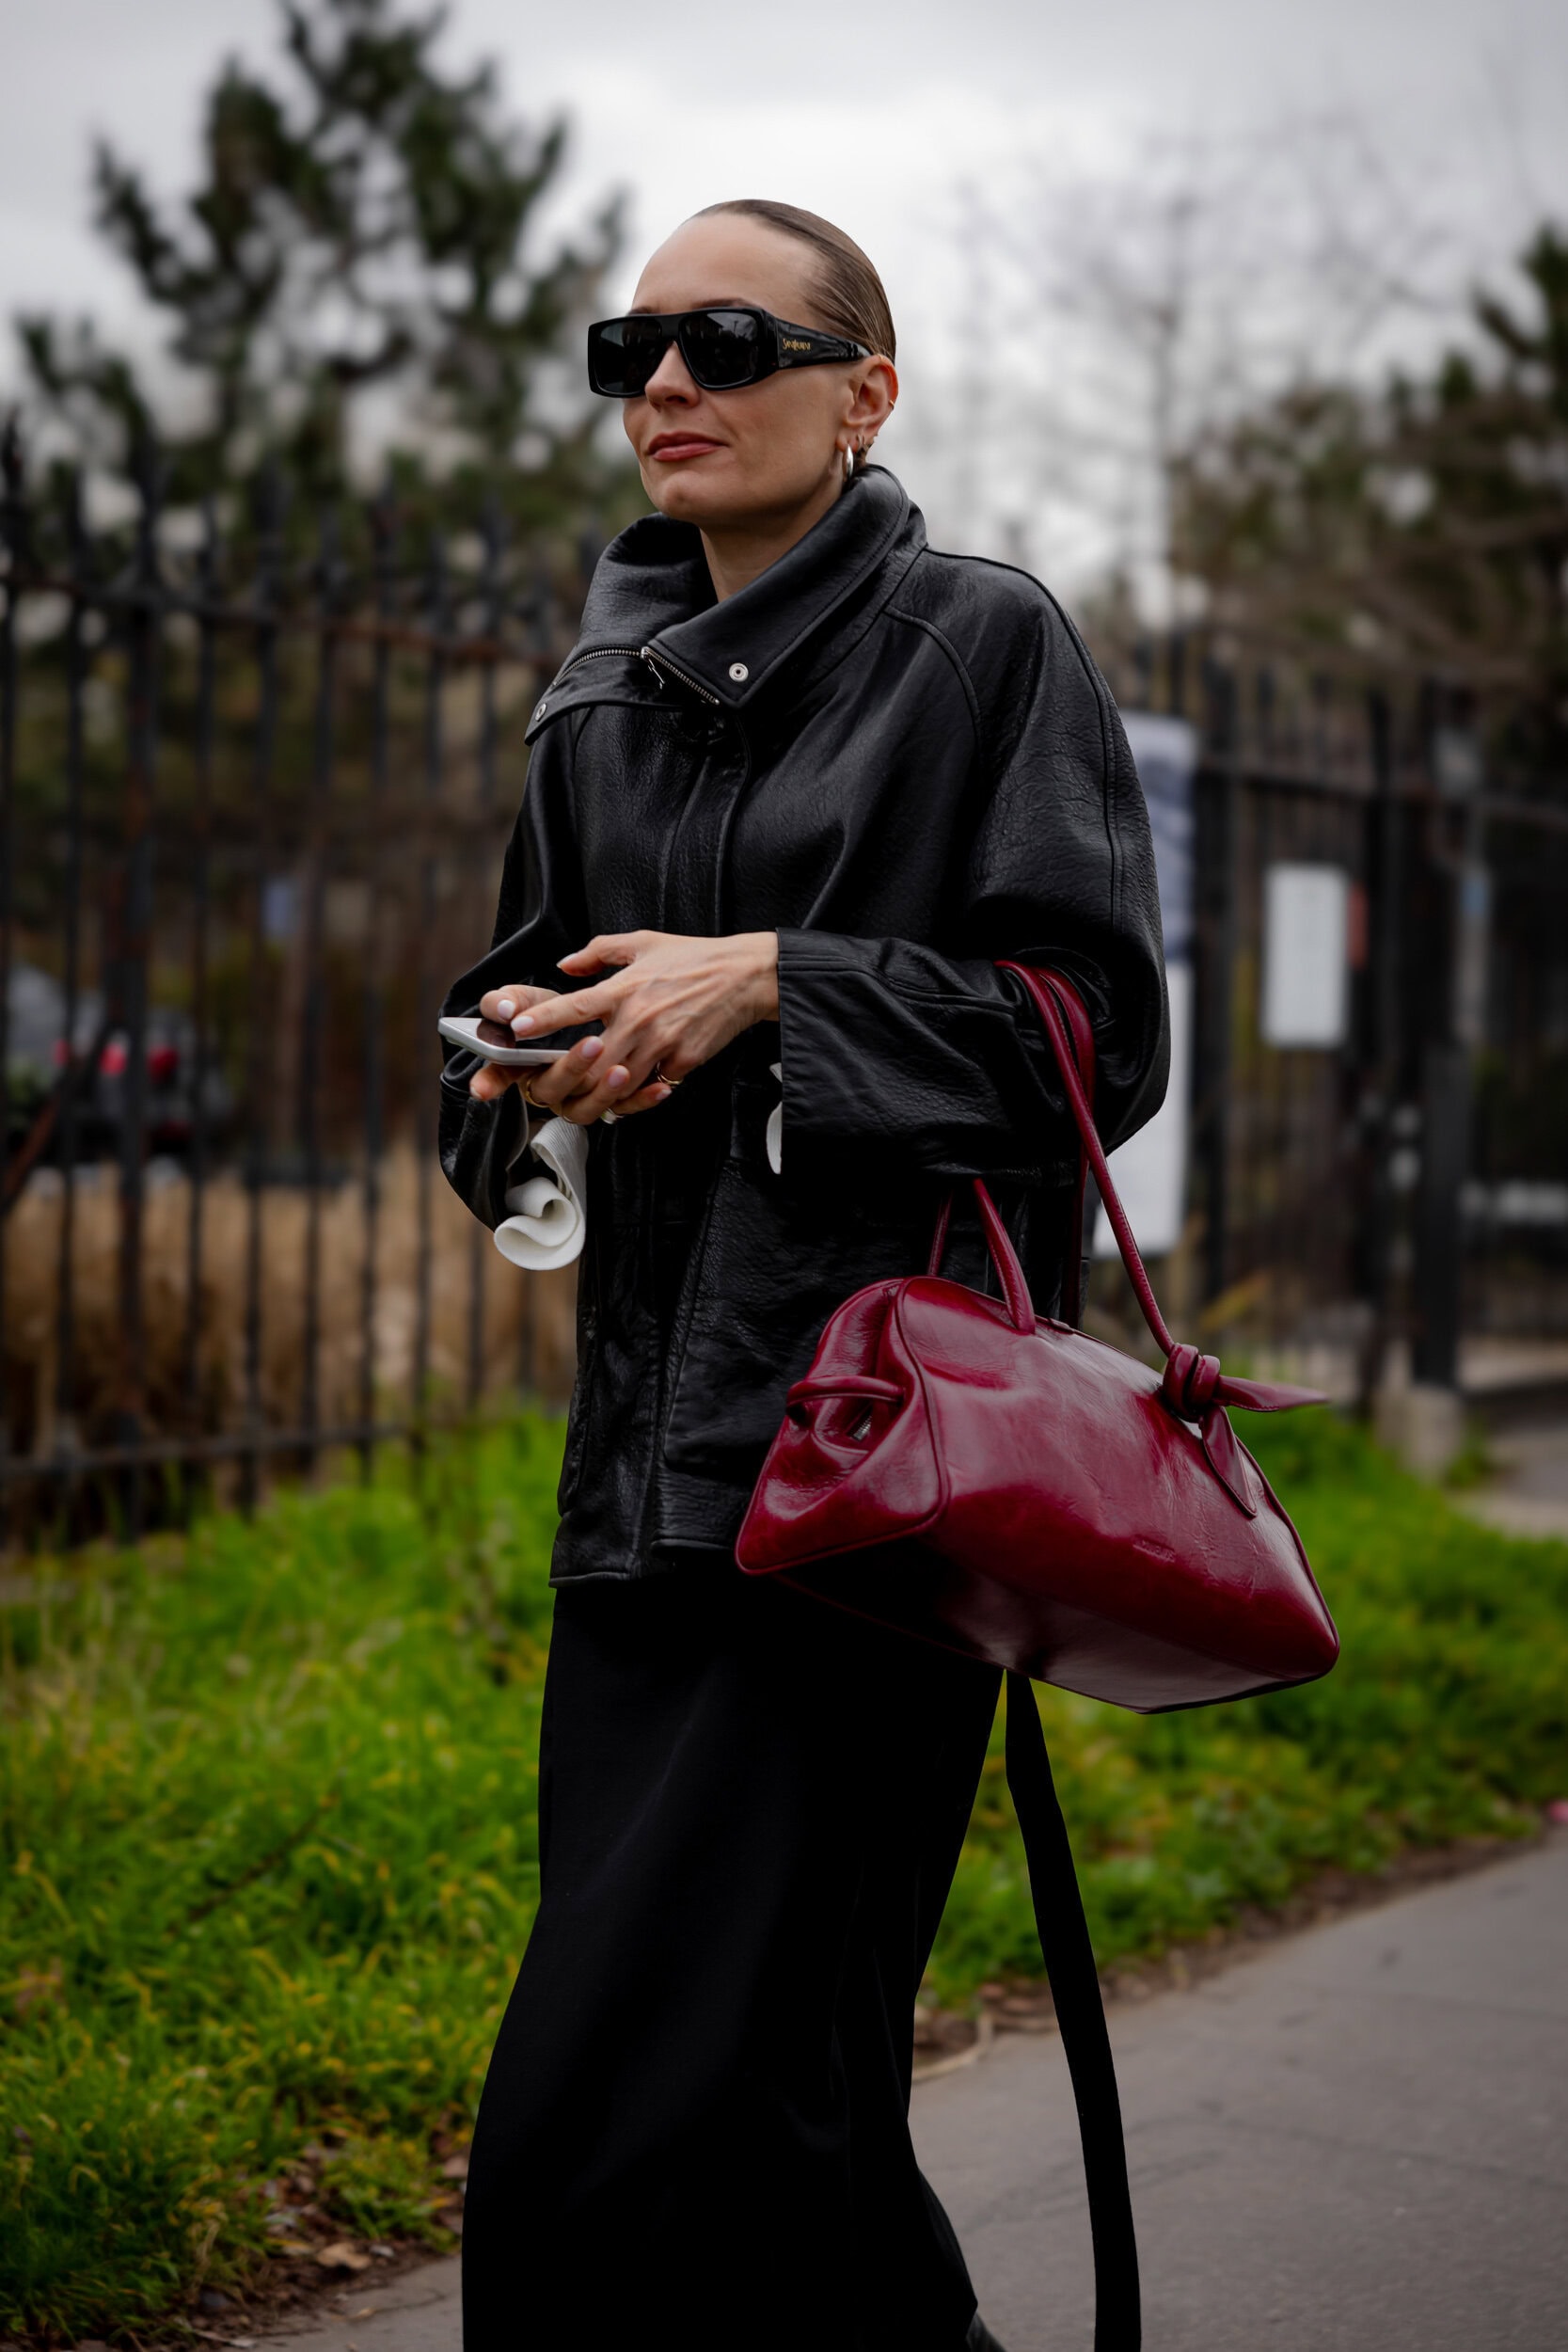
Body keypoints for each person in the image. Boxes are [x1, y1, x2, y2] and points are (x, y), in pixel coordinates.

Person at [439, 197, 1168, 2352]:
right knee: (786, 2120)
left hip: (871, 1491)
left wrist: (775, 982)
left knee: (601, 2140)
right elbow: (503, 1023)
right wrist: (519, 1074)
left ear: (865, 391)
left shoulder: (978, 647)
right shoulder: (600, 696)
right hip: (637, 1494)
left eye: (729, 339)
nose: (667, 383)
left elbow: (1095, 1038)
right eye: (630, 346)